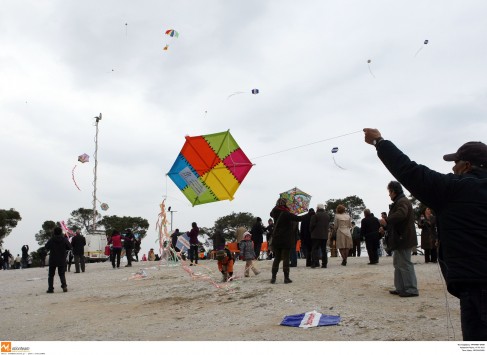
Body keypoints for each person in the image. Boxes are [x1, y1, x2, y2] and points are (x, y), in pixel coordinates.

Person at [269, 197, 305, 284]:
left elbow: (271, 213)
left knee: (277, 258)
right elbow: (298, 219)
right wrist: (309, 215)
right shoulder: (286, 213)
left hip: (277, 238)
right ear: (285, 204)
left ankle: (273, 278)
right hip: (285, 238)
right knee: (286, 258)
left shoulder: (274, 212)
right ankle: (286, 278)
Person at [45, 227, 72, 293]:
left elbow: (46, 246)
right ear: (61, 232)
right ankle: (64, 286)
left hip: (53, 259)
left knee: (51, 275)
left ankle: (50, 289)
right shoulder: (64, 239)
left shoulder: (52, 239)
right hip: (62, 259)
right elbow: (69, 247)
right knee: (62, 274)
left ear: (54, 232)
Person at [309, 204, 329, 268]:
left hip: (316, 235)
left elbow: (311, 225)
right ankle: (324, 264)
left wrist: (311, 232)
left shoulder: (315, 216)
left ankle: (315, 263)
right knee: (323, 250)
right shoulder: (327, 216)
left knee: (314, 249)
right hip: (324, 235)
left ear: (317, 208)